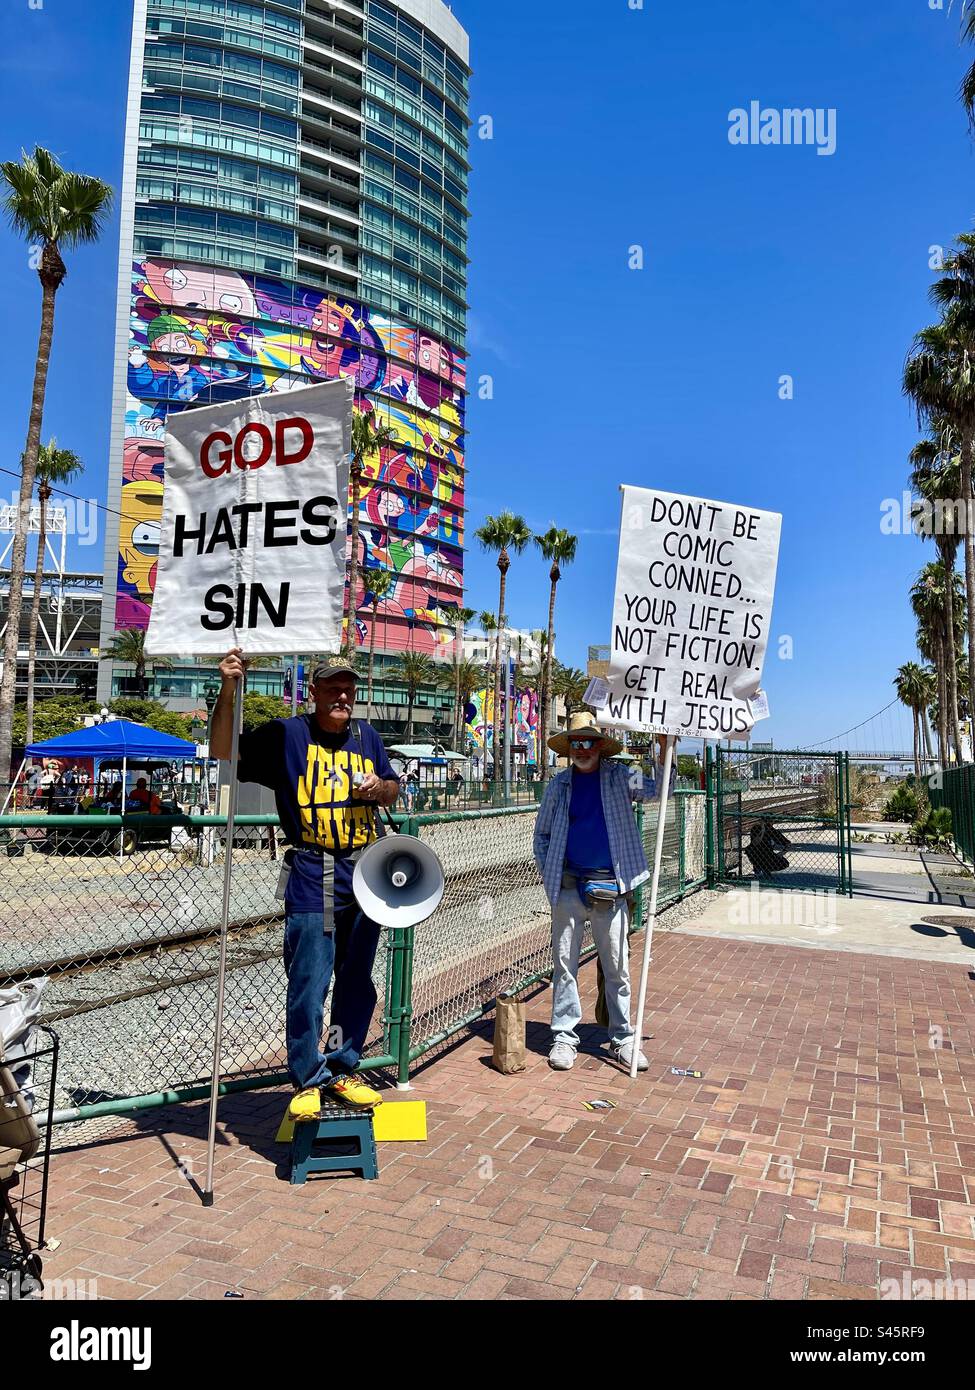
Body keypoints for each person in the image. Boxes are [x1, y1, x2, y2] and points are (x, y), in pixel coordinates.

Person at [211, 649, 399, 1117]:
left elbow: (394, 788)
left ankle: (341, 1067)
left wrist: (379, 788)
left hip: (364, 873)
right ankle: (307, 1077)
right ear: (312, 693)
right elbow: (223, 750)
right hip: (313, 872)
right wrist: (229, 688)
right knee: (309, 979)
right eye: (332, 688)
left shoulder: (366, 735)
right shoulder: (287, 734)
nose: (342, 695)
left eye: (348, 688)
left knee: (356, 980)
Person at [533, 711, 656, 1073]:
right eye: (575, 743)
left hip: (611, 889)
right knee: (564, 966)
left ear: (600, 746)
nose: (581, 749)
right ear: (568, 748)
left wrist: (666, 755)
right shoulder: (558, 786)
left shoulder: (622, 776)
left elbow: (658, 788)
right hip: (568, 887)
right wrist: (550, 872)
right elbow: (541, 837)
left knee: (617, 967)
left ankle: (623, 1038)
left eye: (588, 742)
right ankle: (565, 1037)